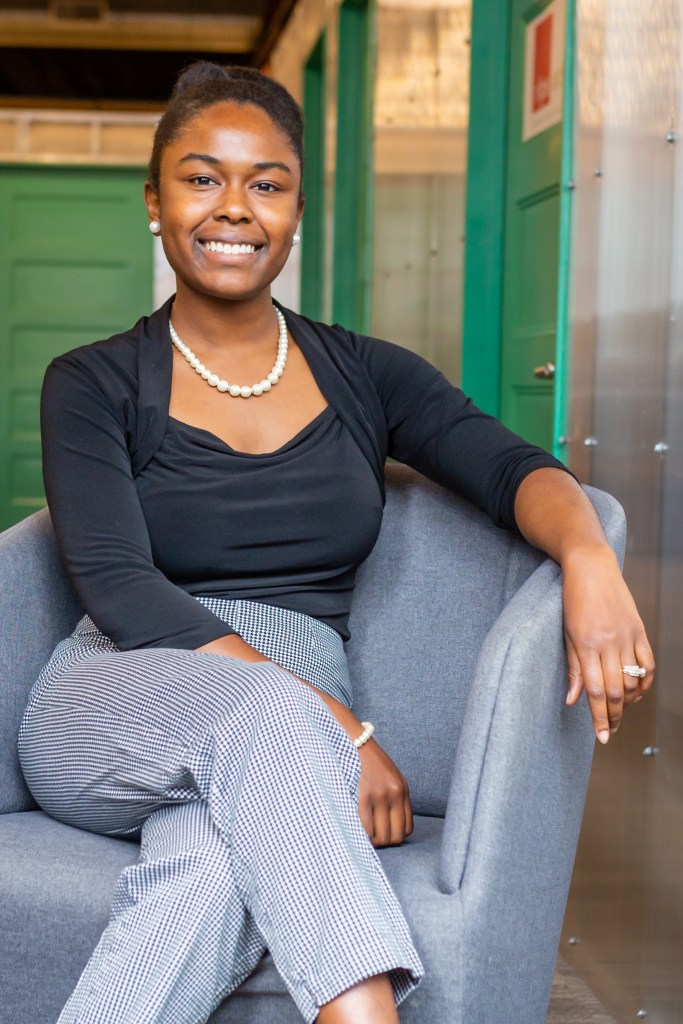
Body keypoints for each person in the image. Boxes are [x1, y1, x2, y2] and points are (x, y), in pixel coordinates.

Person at [17, 62, 654, 1024]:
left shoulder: (364, 374)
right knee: (267, 736)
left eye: (265, 184)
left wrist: (589, 560)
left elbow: (513, 469)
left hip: (283, 717)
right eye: (201, 178)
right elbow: (116, 583)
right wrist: (336, 729)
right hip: (119, 691)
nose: (234, 208)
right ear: (155, 201)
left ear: (296, 209)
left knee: (210, 866)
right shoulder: (94, 381)